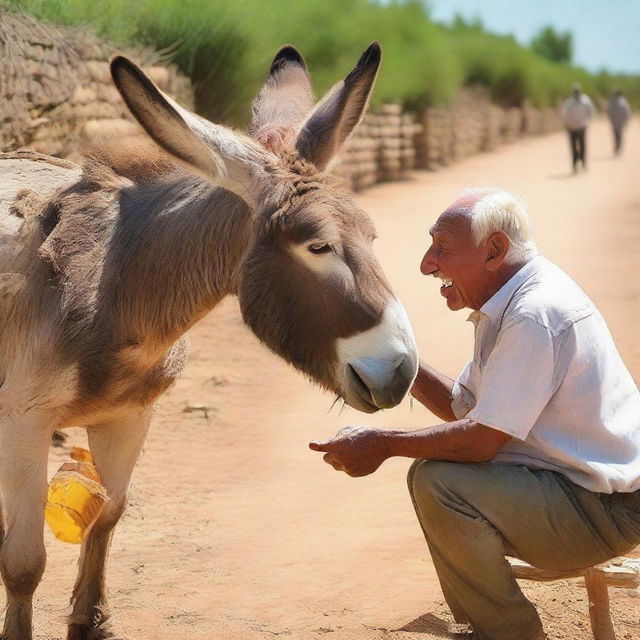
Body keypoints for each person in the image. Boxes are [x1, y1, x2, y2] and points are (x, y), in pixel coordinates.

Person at [309, 188, 640, 640]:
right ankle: (487, 626)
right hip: (576, 494)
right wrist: (399, 358)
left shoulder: (532, 315)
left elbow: (479, 441)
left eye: (443, 249)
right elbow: (467, 411)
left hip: (604, 513)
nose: (428, 263)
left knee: (438, 482)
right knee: (437, 475)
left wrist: (381, 444)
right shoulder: (511, 300)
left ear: (495, 250)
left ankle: (511, 633)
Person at [561, 84, 595, 172]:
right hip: (571, 127)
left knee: (582, 146)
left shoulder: (585, 101)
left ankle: (583, 162)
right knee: (573, 147)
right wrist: (566, 124)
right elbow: (565, 114)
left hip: (582, 126)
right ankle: (574, 164)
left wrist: (587, 121)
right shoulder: (569, 102)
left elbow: (591, 111)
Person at [607, 89, 631, 156]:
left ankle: (618, 149)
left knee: (619, 136)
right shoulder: (612, 101)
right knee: (615, 136)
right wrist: (611, 119)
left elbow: (627, 112)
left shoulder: (623, 102)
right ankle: (616, 148)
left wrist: (625, 121)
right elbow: (609, 111)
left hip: (620, 123)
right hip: (614, 122)